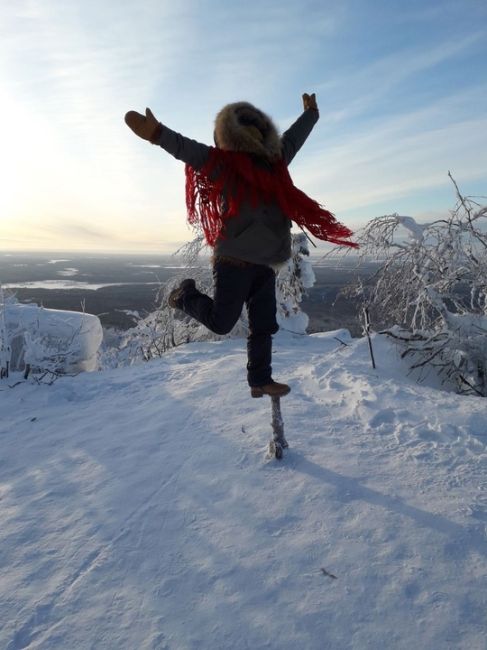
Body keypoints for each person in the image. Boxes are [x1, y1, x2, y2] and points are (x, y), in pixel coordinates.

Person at [124, 94, 356, 398]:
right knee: (221, 323)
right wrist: (158, 134)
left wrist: (311, 114)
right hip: (233, 259)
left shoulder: (276, 162)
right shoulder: (223, 165)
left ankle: (260, 379)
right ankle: (185, 295)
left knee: (263, 326)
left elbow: (294, 137)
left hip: (266, 261)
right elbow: (187, 150)